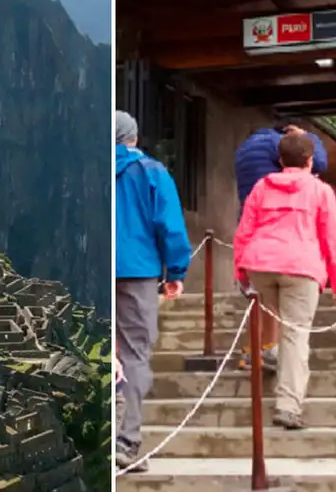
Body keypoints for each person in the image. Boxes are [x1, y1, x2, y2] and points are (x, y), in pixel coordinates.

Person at [233, 133, 336, 430]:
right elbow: (334, 240)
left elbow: (244, 231)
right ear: (311, 160)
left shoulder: (260, 187)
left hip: (261, 264)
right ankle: (288, 405)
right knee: (296, 336)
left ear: (280, 160)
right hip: (301, 267)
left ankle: (269, 356)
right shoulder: (321, 191)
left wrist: (240, 271)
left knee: (274, 322)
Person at [114, 110, 191, 472]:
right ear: (133, 136)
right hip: (137, 273)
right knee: (134, 353)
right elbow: (170, 226)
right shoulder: (151, 172)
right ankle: (126, 442)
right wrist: (175, 271)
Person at [234, 123, 328, 370]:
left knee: (260, 296)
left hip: (254, 227)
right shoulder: (279, 145)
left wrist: (239, 267)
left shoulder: (244, 150)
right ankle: (268, 350)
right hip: (283, 228)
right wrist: (305, 136)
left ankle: (254, 349)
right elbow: (318, 162)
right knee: (277, 303)